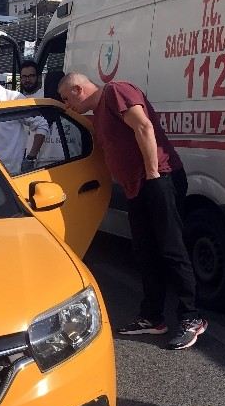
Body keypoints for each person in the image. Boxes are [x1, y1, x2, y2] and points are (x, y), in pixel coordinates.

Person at [57, 72, 207, 350]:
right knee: (145, 251)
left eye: (67, 99)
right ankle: (152, 317)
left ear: (78, 89)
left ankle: (191, 317)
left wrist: (152, 175)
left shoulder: (116, 91)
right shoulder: (99, 111)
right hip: (136, 186)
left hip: (157, 179)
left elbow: (144, 128)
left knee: (172, 249)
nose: (67, 106)